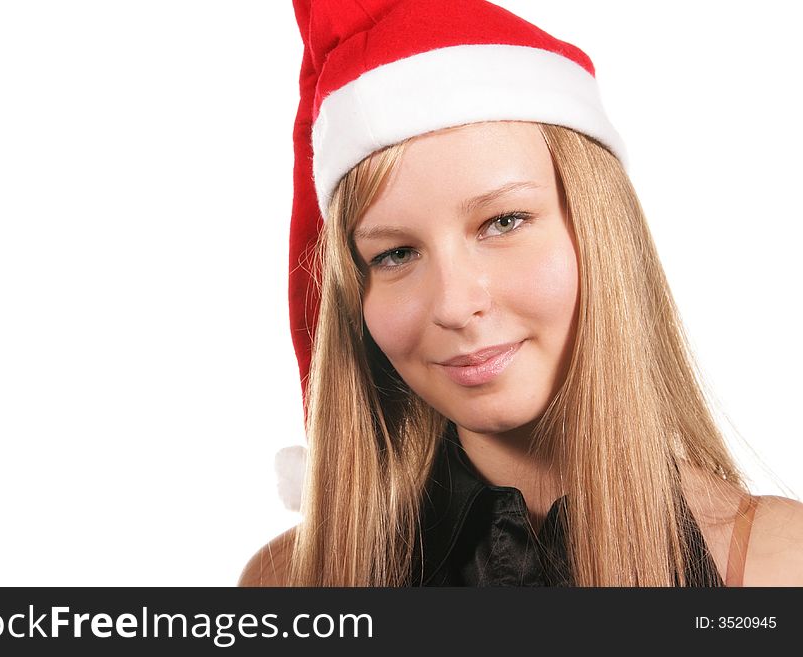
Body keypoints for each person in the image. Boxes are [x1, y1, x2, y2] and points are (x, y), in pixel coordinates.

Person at [239, 0, 803, 587]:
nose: (455, 305)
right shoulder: (290, 581)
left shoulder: (781, 570)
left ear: (598, 229)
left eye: (504, 221)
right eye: (395, 254)